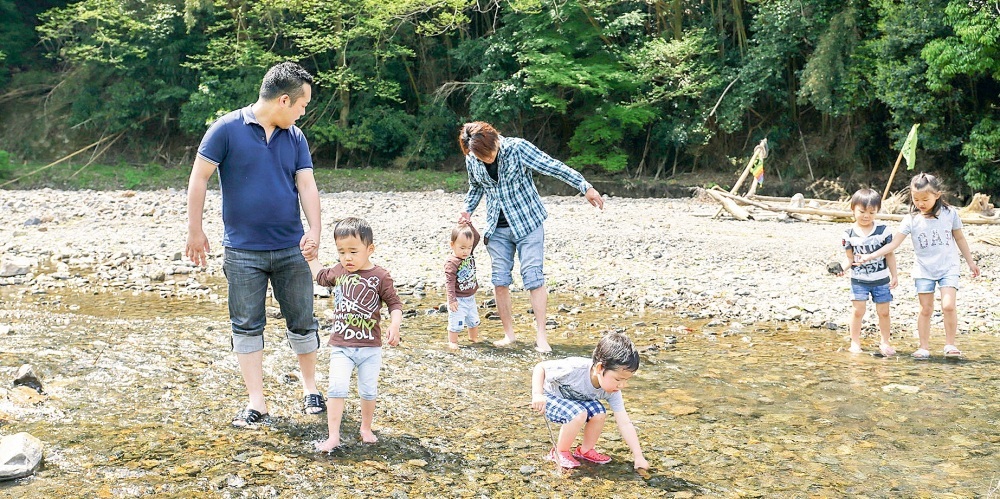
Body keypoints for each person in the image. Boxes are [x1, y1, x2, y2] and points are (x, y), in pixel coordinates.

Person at [185, 62, 325, 428]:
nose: (303, 112)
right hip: (243, 251)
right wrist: (195, 230)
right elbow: (199, 178)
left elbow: (307, 185)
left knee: (303, 320)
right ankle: (257, 402)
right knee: (246, 325)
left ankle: (311, 388)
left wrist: (315, 230)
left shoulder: (295, 138)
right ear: (283, 100)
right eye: (301, 105)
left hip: (291, 248)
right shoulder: (225, 129)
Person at [458, 121, 604, 353]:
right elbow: (475, 187)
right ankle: (509, 335)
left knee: (533, 277)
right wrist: (467, 209)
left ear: (494, 140)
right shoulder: (472, 157)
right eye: (480, 157)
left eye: (488, 155)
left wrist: (584, 186)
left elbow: (552, 166)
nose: (486, 160)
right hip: (496, 227)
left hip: (528, 224)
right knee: (499, 281)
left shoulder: (518, 149)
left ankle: (541, 337)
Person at [305, 217, 403, 451]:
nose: (347, 258)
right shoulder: (339, 271)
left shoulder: (380, 276)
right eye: (341, 252)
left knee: (368, 390)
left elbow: (394, 304)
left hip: (370, 348)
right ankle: (333, 436)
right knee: (336, 388)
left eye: (353, 251)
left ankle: (365, 428)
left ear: (369, 249)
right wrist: (311, 258)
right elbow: (320, 276)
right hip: (341, 346)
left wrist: (395, 325)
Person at [858, 173, 980, 358]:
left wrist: (970, 262)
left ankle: (950, 345)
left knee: (948, 306)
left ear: (937, 195)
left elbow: (960, 238)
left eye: (925, 199)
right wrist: (871, 255)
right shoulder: (911, 219)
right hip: (923, 269)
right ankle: (923, 347)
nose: (920, 203)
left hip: (949, 267)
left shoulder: (950, 213)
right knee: (926, 308)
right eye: (916, 199)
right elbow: (894, 244)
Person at [530, 331, 649, 470]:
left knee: (599, 413)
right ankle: (560, 451)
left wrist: (638, 456)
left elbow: (625, 423)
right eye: (618, 379)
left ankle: (585, 450)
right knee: (578, 413)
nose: (622, 385)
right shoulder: (574, 368)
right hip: (549, 398)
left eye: (626, 380)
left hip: (574, 403)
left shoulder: (613, 391)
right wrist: (537, 394)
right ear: (600, 368)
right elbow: (541, 367)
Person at [837, 188, 898, 356]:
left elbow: (890, 254)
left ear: (877, 211)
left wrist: (894, 275)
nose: (866, 216)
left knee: (884, 312)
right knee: (858, 311)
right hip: (859, 280)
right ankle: (855, 342)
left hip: (881, 279)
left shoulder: (883, 231)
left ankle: (885, 342)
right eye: (862, 211)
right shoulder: (848, 234)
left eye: (872, 212)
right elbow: (849, 259)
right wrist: (841, 269)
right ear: (853, 209)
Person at [444, 220, 482, 350]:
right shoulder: (452, 262)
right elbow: (449, 283)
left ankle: (473, 338)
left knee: (474, 320)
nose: (466, 251)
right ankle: (453, 341)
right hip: (458, 299)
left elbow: (476, 237)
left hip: (470, 297)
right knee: (456, 322)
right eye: (462, 248)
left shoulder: (469, 254)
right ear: (452, 245)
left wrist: (469, 225)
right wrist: (452, 300)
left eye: (469, 247)